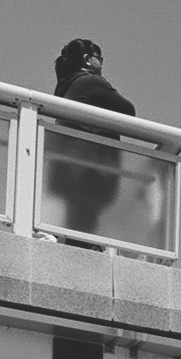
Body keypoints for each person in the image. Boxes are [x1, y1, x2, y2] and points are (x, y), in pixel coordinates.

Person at [50, 39, 137, 239]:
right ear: (87, 60)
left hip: (69, 168)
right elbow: (128, 110)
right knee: (86, 229)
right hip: (90, 168)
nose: (102, 63)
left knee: (77, 226)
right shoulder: (90, 81)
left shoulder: (66, 89)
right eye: (100, 58)